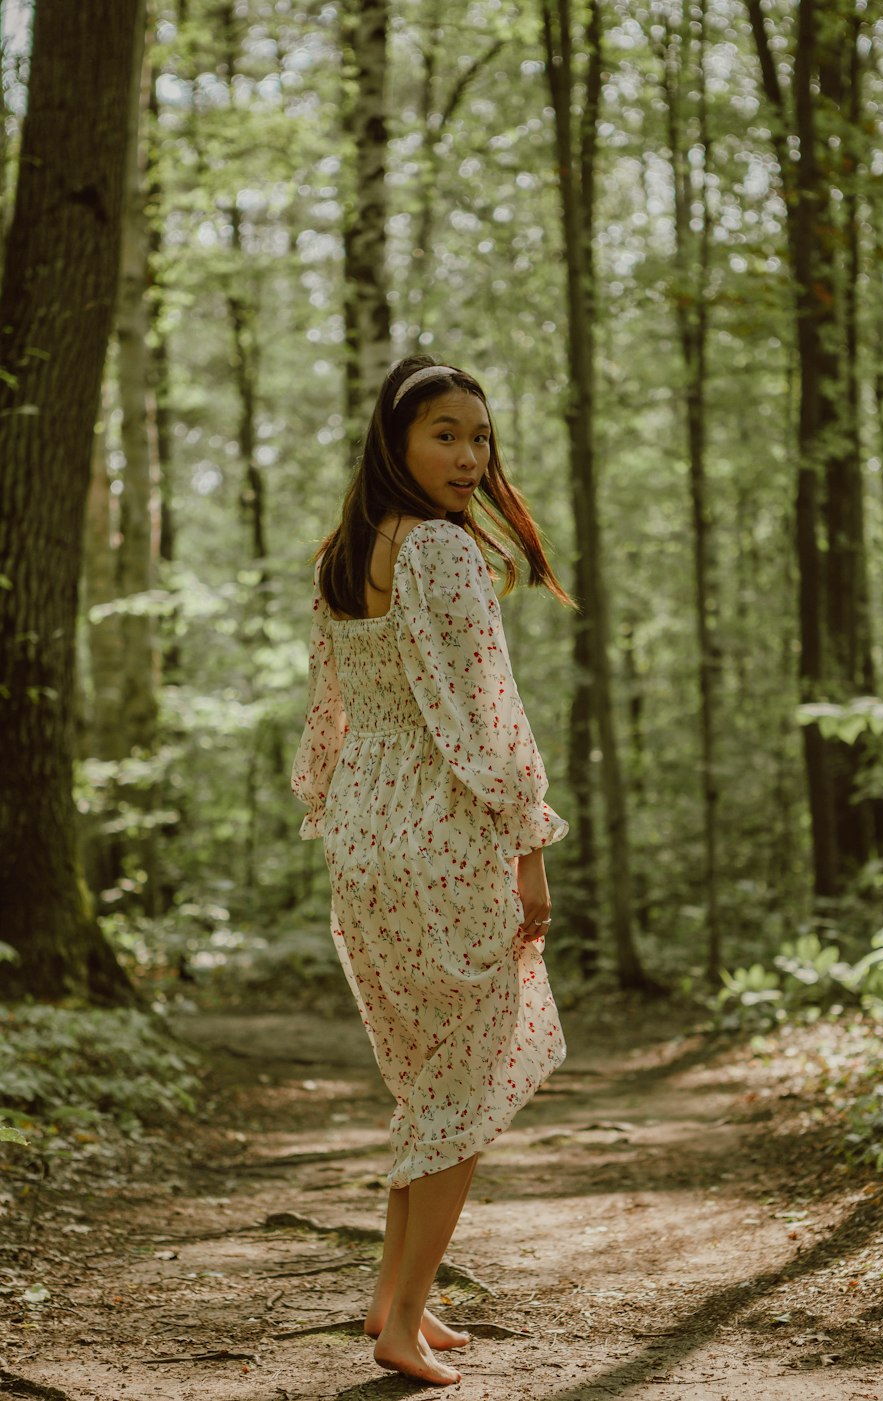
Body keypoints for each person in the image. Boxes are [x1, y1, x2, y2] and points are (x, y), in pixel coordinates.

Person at [291, 355, 576, 1386]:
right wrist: (527, 847)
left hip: (363, 839)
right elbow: (487, 718)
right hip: (442, 839)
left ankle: (393, 1297)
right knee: (458, 1090)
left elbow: (327, 710)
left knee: (427, 1087)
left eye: (479, 438)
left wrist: (324, 799)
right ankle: (404, 1321)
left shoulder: (345, 550)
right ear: (396, 440)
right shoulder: (443, 554)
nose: (466, 457)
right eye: (444, 434)